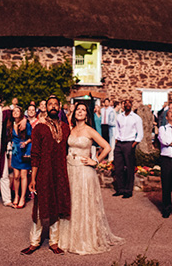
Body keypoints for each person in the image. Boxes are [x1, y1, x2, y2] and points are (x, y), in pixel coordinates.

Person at [58, 101, 124, 254]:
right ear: (74, 114)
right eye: (78, 109)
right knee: (71, 203)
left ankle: (83, 239)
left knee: (83, 203)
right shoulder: (71, 129)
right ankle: (68, 238)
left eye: (83, 110)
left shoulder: (90, 130)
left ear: (87, 114)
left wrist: (95, 161)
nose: (80, 112)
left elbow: (107, 147)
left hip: (84, 171)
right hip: (70, 169)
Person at [21, 96, 71, 256]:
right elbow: (35, 154)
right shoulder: (39, 128)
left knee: (56, 206)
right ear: (45, 108)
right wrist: (33, 178)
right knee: (40, 207)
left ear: (60, 107)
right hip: (43, 172)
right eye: (50, 104)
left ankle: (54, 242)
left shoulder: (65, 127)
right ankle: (34, 242)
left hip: (60, 172)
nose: (53, 107)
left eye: (56, 104)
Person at [113, 99, 143, 199]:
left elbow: (140, 132)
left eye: (129, 103)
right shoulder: (119, 117)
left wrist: (134, 143)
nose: (127, 105)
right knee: (118, 167)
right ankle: (120, 189)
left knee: (129, 168)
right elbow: (117, 129)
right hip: (119, 143)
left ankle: (128, 190)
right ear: (123, 105)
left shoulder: (136, 118)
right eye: (125, 103)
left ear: (132, 105)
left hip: (129, 144)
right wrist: (116, 139)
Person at [11, 105, 32, 209]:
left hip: (24, 151)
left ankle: (22, 197)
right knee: (16, 175)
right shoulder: (10, 124)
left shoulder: (26, 124)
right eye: (14, 111)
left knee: (23, 175)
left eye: (17, 111)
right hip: (15, 152)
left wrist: (26, 142)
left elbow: (32, 137)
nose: (15, 112)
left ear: (21, 113)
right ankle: (16, 196)